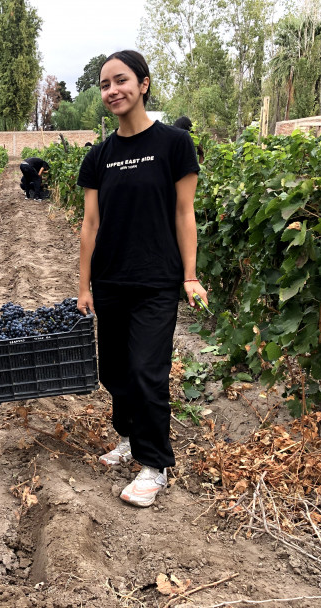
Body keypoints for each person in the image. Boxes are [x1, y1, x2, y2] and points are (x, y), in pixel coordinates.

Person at [76, 51, 208, 508]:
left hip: (156, 281)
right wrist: (83, 286)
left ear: (144, 84)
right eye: (105, 84)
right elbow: (90, 225)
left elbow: (183, 213)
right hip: (110, 280)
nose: (112, 90)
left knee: (146, 372)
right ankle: (129, 438)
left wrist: (189, 276)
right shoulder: (99, 156)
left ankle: (155, 465)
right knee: (114, 371)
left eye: (121, 80)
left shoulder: (174, 144)